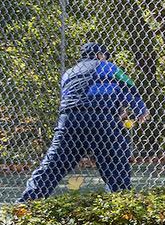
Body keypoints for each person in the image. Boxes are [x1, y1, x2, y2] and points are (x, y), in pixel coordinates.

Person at [21, 42, 149, 201]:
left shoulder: (69, 73)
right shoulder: (110, 67)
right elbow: (130, 90)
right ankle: (121, 201)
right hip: (101, 118)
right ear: (100, 55)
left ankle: (27, 202)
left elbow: (77, 96)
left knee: (53, 164)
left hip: (69, 119)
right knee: (115, 162)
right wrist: (141, 110)